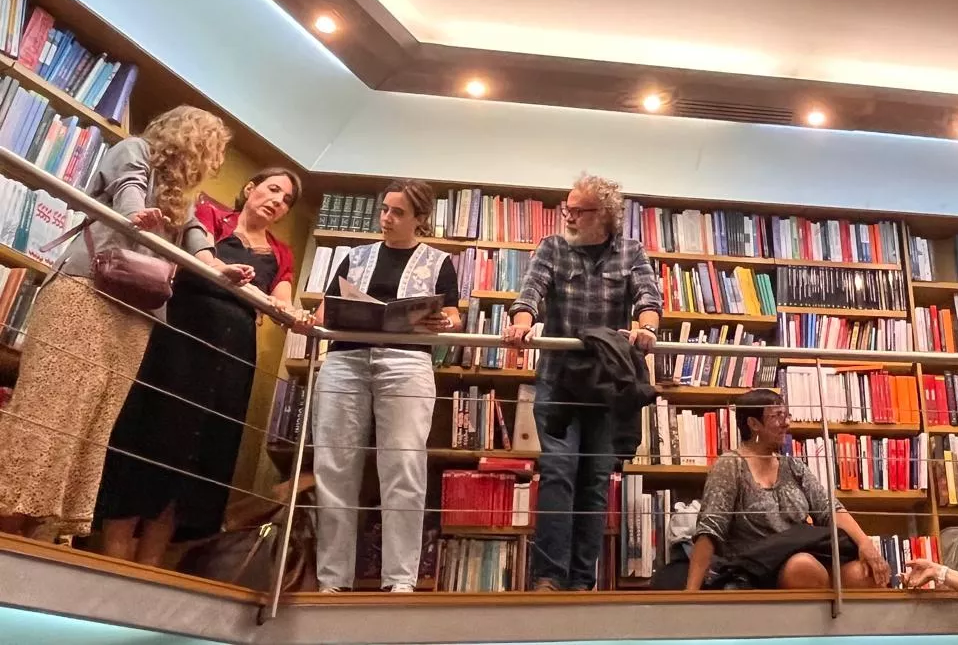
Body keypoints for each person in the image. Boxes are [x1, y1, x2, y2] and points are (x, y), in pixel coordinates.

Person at [0, 106, 232, 540]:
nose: (214, 162)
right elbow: (129, 188)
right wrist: (137, 216)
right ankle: (8, 524)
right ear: (192, 140)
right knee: (49, 409)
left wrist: (217, 266)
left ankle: (38, 535)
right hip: (85, 292)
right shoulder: (134, 149)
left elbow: (194, 232)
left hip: (134, 315)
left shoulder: (184, 195)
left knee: (92, 421)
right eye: (213, 149)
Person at [97, 168, 311, 564]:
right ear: (250, 188)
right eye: (272, 190)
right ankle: (112, 559)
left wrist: (297, 315)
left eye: (285, 201)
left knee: (197, 453)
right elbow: (195, 259)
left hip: (233, 358)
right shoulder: (211, 215)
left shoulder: (281, 252)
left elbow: (282, 304)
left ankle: (151, 568)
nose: (277, 202)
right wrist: (240, 284)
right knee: (152, 437)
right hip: (183, 339)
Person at [500, 172, 662, 592]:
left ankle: (581, 582)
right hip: (559, 381)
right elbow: (530, 293)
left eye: (578, 211)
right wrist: (522, 323)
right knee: (558, 472)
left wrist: (647, 327)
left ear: (604, 215)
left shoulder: (631, 252)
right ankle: (549, 577)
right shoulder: (552, 248)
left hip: (607, 384)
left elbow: (648, 298)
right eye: (566, 209)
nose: (568, 217)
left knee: (595, 479)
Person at [311, 179, 461, 593]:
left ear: (420, 218)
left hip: (406, 362)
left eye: (398, 212)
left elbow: (453, 315)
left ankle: (400, 580)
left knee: (404, 465)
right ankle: (332, 580)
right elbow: (324, 310)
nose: (387, 218)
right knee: (334, 465)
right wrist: (324, 316)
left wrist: (444, 321)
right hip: (346, 359)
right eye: (385, 209)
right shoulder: (355, 256)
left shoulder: (439, 262)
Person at [684, 389, 890, 590]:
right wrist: (691, 593)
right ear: (753, 424)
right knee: (803, 568)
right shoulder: (730, 465)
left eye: (786, 415)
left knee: (865, 575)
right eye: (777, 416)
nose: (786, 423)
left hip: (807, 555)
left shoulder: (793, 466)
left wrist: (865, 544)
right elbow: (710, 528)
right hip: (759, 568)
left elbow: (828, 508)